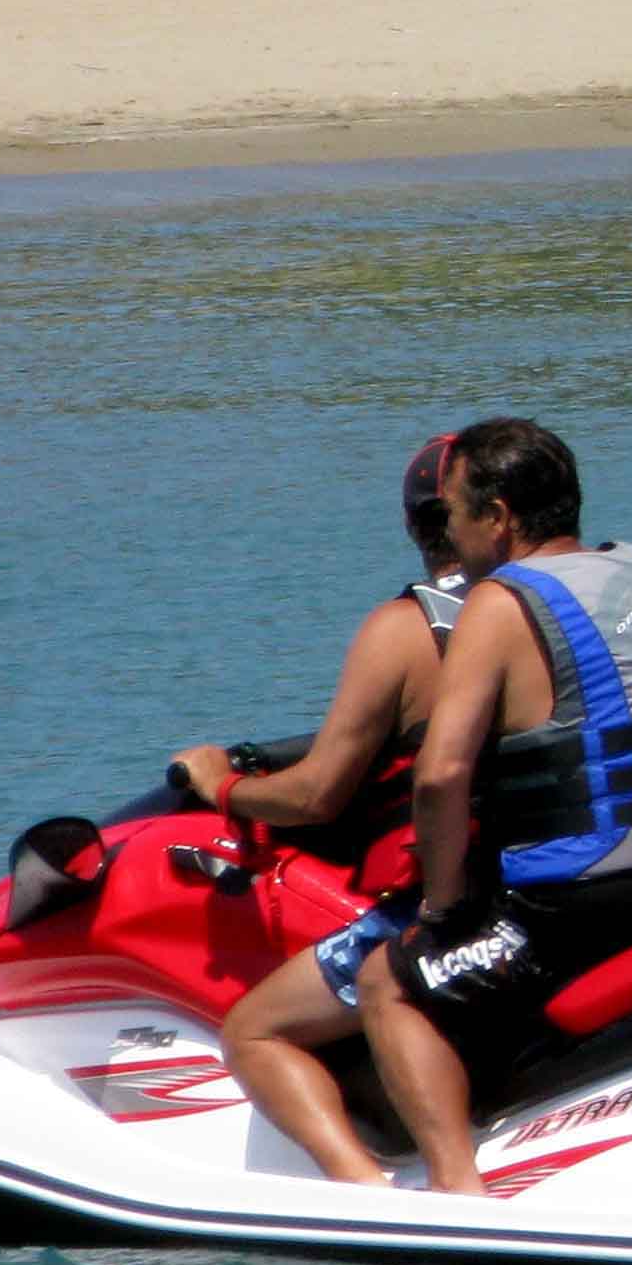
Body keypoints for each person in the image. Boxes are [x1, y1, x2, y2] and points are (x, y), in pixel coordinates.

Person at [362, 418, 632, 1194]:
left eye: (454, 514)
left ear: (497, 517)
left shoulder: (498, 603)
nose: (449, 536)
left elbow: (441, 774)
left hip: (581, 906)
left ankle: (457, 1194)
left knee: (387, 983)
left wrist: (443, 904)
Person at [179, 434, 479, 1187]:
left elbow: (317, 796)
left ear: (417, 526)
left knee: (252, 1029)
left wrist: (222, 787)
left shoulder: (410, 630)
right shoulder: (566, 607)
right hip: (574, 869)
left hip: (463, 902)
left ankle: (364, 1191)